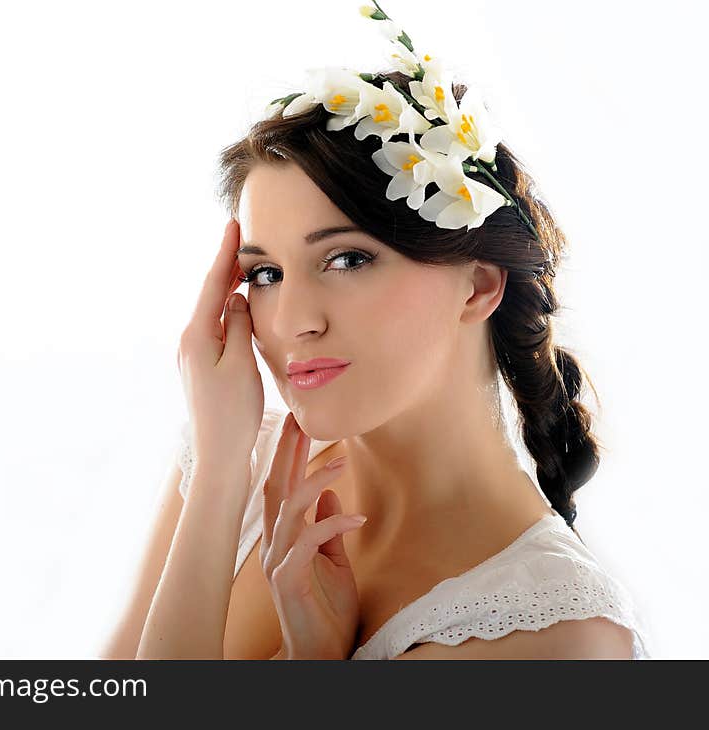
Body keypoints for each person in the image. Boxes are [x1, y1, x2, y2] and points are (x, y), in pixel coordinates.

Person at [102, 2, 651, 660]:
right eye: (267, 273)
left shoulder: (557, 636)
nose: (296, 321)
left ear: (477, 284)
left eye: (347, 259)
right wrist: (218, 474)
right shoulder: (232, 462)